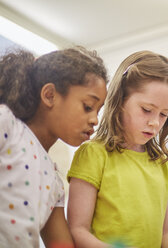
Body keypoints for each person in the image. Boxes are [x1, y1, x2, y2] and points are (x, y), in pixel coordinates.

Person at [67, 50, 168, 248]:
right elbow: (77, 231)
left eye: (164, 114)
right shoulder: (94, 155)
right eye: (147, 110)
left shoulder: (161, 165)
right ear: (121, 100)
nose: (154, 123)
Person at [0, 47, 108, 247]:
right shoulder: (7, 125)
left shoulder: (54, 183)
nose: (94, 120)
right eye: (87, 106)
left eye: (98, 110)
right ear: (49, 95)